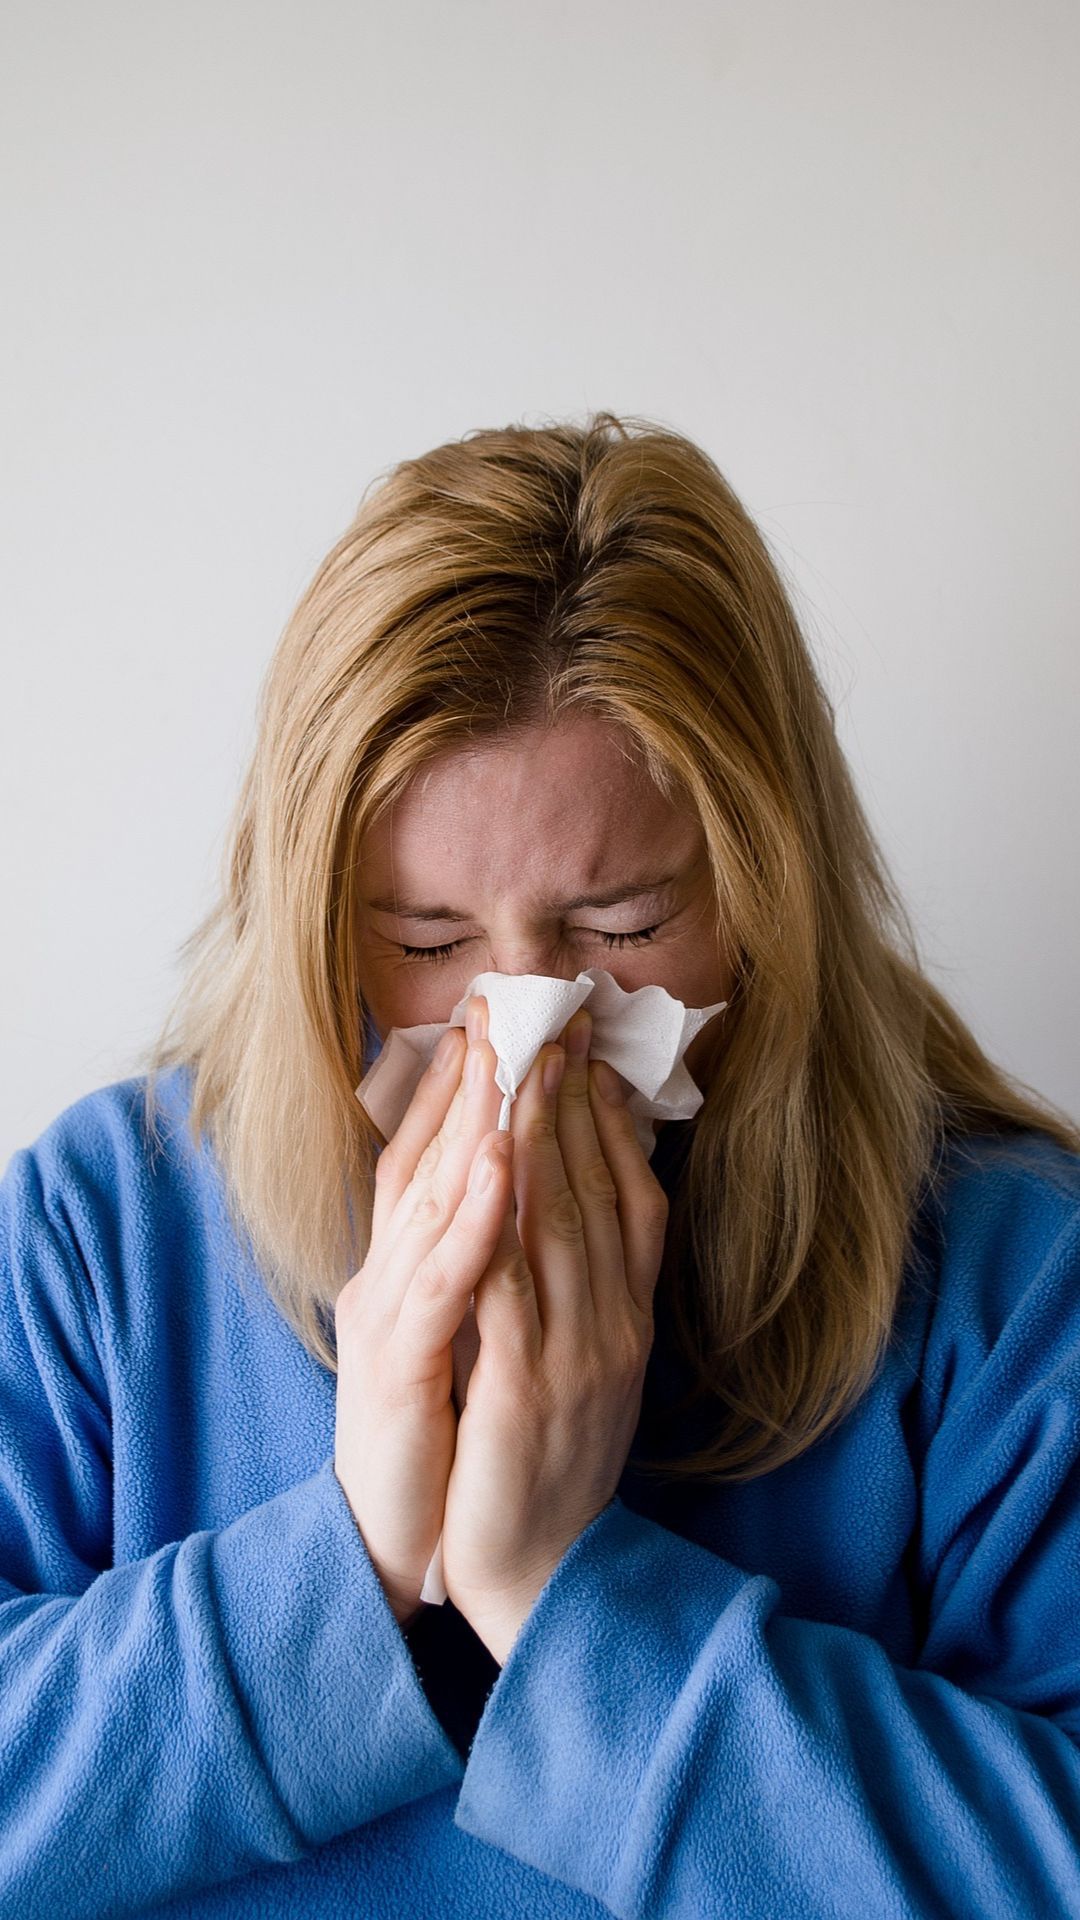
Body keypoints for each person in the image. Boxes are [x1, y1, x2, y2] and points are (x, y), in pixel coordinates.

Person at [2, 411, 1079, 1919]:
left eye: (625, 929)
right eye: (427, 943)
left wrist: (560, 1587)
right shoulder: (96, 1233)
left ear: (767, 899)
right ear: (310, 921)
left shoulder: (1008, 1282)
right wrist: (358, 1556)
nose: (524, 1036)